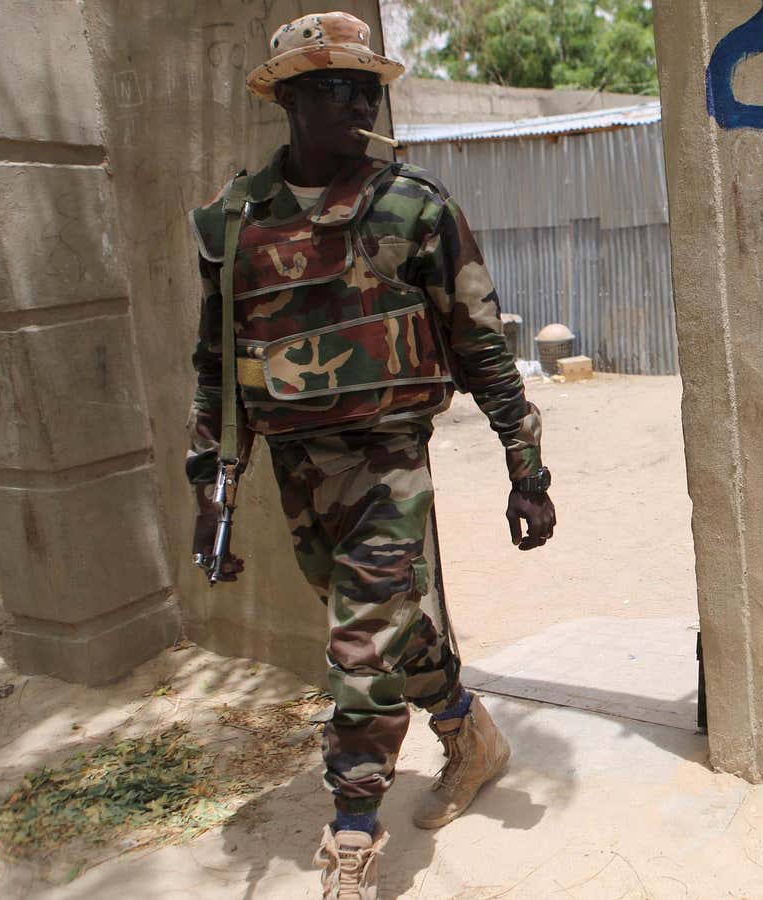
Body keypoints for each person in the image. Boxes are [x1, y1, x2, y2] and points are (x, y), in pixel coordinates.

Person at [184, 12, 556, 898]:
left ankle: (352, 837)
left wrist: (526, 467)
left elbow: (481, 347)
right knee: (390, 631)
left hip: (390, 463)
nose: (351, 102)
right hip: (295, 466)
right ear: (287, 101)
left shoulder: (413, 208)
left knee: (357, 651)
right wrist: (212, 481)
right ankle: (470, 733)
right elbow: (217, 367)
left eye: (364, 87)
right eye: (327, 88)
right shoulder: (235, 222)